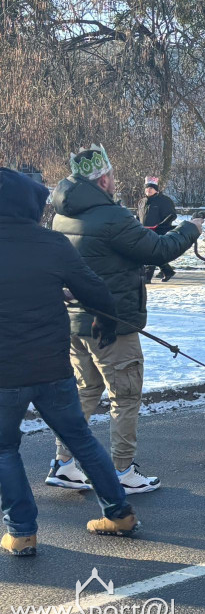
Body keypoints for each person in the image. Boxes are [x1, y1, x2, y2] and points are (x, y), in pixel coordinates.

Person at [0, 169, 140, 555]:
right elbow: (96, 290)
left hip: (3, 373)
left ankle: (22, 531)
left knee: (4, 450)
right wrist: (105, 322)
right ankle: (119, 513)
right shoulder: (52, 243)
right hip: (51, 366)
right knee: (80, 437)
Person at [49, 145, 201, 495]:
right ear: (103, 179)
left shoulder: (61, 215)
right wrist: (191, 229)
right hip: (111, 324)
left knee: (84, 391)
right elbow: (159, 249)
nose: (115, 182)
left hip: (75, 322)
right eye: (113, 176)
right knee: (125, 395)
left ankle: (64, 463)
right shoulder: (112, 217)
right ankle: (122, 471)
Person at [137, 177, 178, 283]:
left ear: (156, 189)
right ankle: (167, 271)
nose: (149, 190)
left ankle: (147, 276)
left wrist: (161, 226)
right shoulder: (142, 202)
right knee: (154, 253)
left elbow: (171, 215)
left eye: (151, 188)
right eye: (147, 188)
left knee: (150, 253)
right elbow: (138, 217)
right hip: (144, 231)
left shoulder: (164, 201)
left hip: (159, 231)